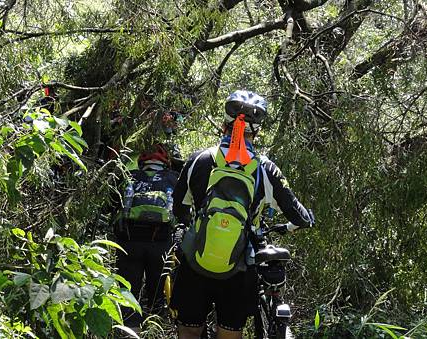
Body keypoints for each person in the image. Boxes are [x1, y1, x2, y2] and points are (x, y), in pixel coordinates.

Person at [169, 90, 314, 339]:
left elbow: (179, 208)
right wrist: (303, 220)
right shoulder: (266, 168)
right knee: (230, 333)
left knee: (189, 332)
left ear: (224, 124)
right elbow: (299, 216)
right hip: (240, 265)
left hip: (196, 262)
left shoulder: (199, 159)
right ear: (255, 131)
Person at [114, 143, 180, 332]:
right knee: (157, 292)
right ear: (165, 162)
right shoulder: (173, 178)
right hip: (160, 241)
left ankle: (129, 330)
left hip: (129, 241)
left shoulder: (129, 176)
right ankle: (154, 329)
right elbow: (183, 210)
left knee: (129, 290)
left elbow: (111, 204)